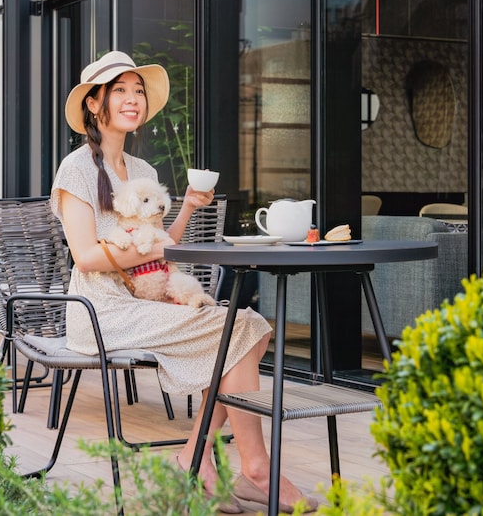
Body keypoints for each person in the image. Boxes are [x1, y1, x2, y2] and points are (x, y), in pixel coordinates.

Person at [51, 51, 319, 514]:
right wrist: (148, 250)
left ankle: (197, 458)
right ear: (95, 104)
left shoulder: (144, 173)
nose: (133, 100)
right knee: (239, 327)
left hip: (147, 296)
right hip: (99, 309)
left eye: (138, 91)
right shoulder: (74, 169)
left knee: (248, 325)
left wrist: (191, 206)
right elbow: (87, 257)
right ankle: (253, 469)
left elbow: (162, 245)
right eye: (120, 91)